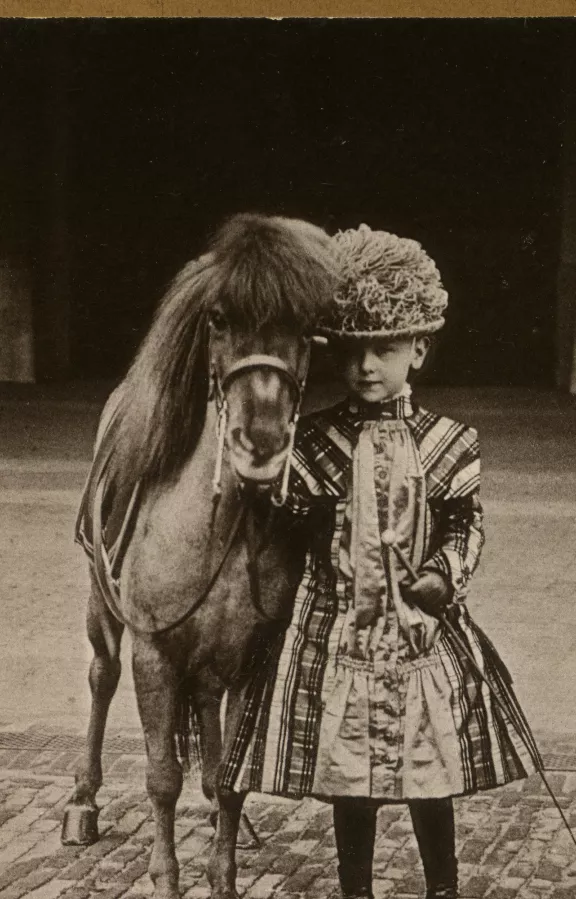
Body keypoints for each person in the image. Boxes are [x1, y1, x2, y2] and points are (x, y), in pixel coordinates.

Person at [221, 224, 541, 899]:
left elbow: (466, 525)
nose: (367, 368)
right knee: (350, 775)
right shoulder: (315, 439)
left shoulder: (451, 443)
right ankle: (356, 889)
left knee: (431, 767)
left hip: (421, 629)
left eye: (385, 351)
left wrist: (443, 575)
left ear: (418, 350)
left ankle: (443, 885)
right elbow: (280, 516)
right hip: (336, 631)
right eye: (355, 354)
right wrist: (263, 475)